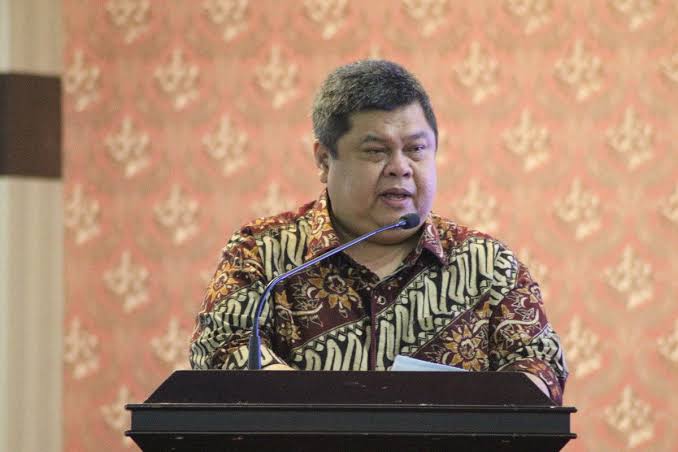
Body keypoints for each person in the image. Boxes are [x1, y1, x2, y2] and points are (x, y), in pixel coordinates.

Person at [189, 59, 568, 404]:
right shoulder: (263, 252)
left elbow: (540, 369)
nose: (400, 167)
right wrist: (322, 413)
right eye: (376, 151)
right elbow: (222, 350)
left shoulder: (487, 265)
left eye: (416, 149)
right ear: (324, 160)